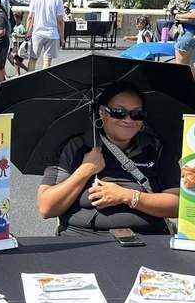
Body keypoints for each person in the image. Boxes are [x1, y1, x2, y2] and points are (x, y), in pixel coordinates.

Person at [37, 82, 180, 235]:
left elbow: (178, 205)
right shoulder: (76, 147)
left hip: (149, 238)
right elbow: (47, 208)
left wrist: (127, 196)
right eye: (119, 112)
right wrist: (85, 169)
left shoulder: (156, 148)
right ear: (102, 113)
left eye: (137, 114)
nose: (128, 119)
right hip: (85, 238)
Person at [25, 0, 66, 70]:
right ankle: (44, 78)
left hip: (37, 32)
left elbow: (30, 17)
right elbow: (60, 21)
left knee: (33, 59)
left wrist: (28, 32)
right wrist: (62, 37)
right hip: (52, 34)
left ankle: (30, 77)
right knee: (47, 60)